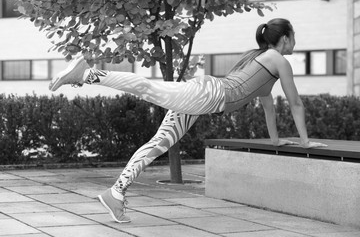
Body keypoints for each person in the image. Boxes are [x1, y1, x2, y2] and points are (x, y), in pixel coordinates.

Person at [49, 18, 327, 223]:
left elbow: (270, 107)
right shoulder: (278, 60)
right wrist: (305, 141)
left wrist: (277, 140)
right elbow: (296, 103)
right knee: (149, 88)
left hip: (203, 100)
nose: (295, 41)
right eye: (294, 36)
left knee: (160, 142)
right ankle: (88, 74)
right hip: (208, 95)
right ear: (287, 37)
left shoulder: (261, 59)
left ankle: (116, 193)